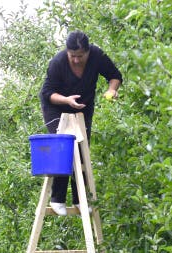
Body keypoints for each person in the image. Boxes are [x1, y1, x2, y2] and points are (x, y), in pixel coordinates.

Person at [39, 30, 122, 216]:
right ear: (67, 52)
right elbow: (47, 93)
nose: (76, 60)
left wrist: (112, 90)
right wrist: (67, 100)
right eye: (72, 56)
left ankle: (81, 199)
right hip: (56, 106)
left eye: (80, 56)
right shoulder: (58, 62)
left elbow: (115, 76)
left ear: (87, 52)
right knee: (63, 147)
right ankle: (57, 198)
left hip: (83, 107)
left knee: (82, 149)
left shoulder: (97, 56)